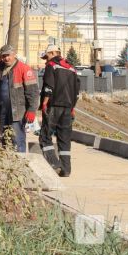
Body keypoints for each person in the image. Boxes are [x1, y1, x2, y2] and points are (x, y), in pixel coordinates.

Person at [0, 44, 39, 153]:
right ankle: (5, 165)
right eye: (4, 56)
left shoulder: (24, 69)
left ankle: (19, 166)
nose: (6, 58)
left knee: (17, 140)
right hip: (2, 112)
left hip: (17, 113)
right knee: (2, 139)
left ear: (14, 54)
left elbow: (33, 93)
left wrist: (31, 110)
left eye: (8, 55)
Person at [39, 44, 80, 177]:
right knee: (64, 138)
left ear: (52, 53)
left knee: (45, 137)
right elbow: (76, 91)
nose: (46, 60)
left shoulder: (51, 66)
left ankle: (54, 164)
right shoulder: (72, 68)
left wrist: (44, 104)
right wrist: (72, 107)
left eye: (46, 57)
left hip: (54, 106)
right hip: (68, 108)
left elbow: (49, 87)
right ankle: (66, 169)